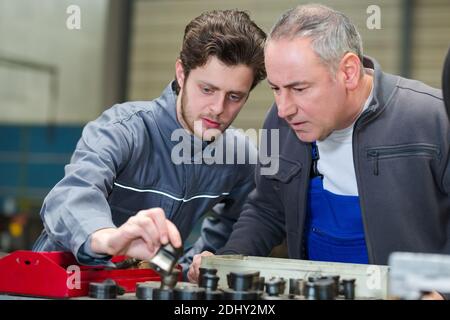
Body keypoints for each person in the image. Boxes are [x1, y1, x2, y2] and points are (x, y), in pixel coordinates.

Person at [188, 3, 450, 295]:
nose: (284, 108)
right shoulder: (279, 123)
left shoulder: (434, 121)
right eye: (276, 88)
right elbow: (266, 209)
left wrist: (441, 290)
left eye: (299, 89)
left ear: (348, 72)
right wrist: (228, 263)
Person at [32, 9, 267, 276]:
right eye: (207, 89)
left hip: (139, 289)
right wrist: (109, 237)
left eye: (234, 96)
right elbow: (69, 196)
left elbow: (245, 221)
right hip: (56, 283)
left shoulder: (239, 157)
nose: (218, 108)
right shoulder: (122, 129)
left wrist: (203, 264)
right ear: (181, 73)